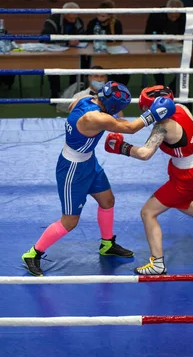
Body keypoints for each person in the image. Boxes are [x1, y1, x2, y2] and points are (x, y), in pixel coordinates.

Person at [21, 81, 176, 276]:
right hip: (72, 169)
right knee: (69, 221)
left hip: (88, 162)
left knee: (107, 200)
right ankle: (33, 254)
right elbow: (129, 127)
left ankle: (107, 243)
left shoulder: (86, 99)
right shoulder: (95, 118)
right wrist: (153, 114)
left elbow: (72, 107)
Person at [104, 86, 193, 275]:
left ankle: (157, 264)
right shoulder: (182, 108)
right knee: (182, 203)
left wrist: (122, 147)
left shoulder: (163, 127)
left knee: (148, 213)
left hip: (185, 178)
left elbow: (145, 153)